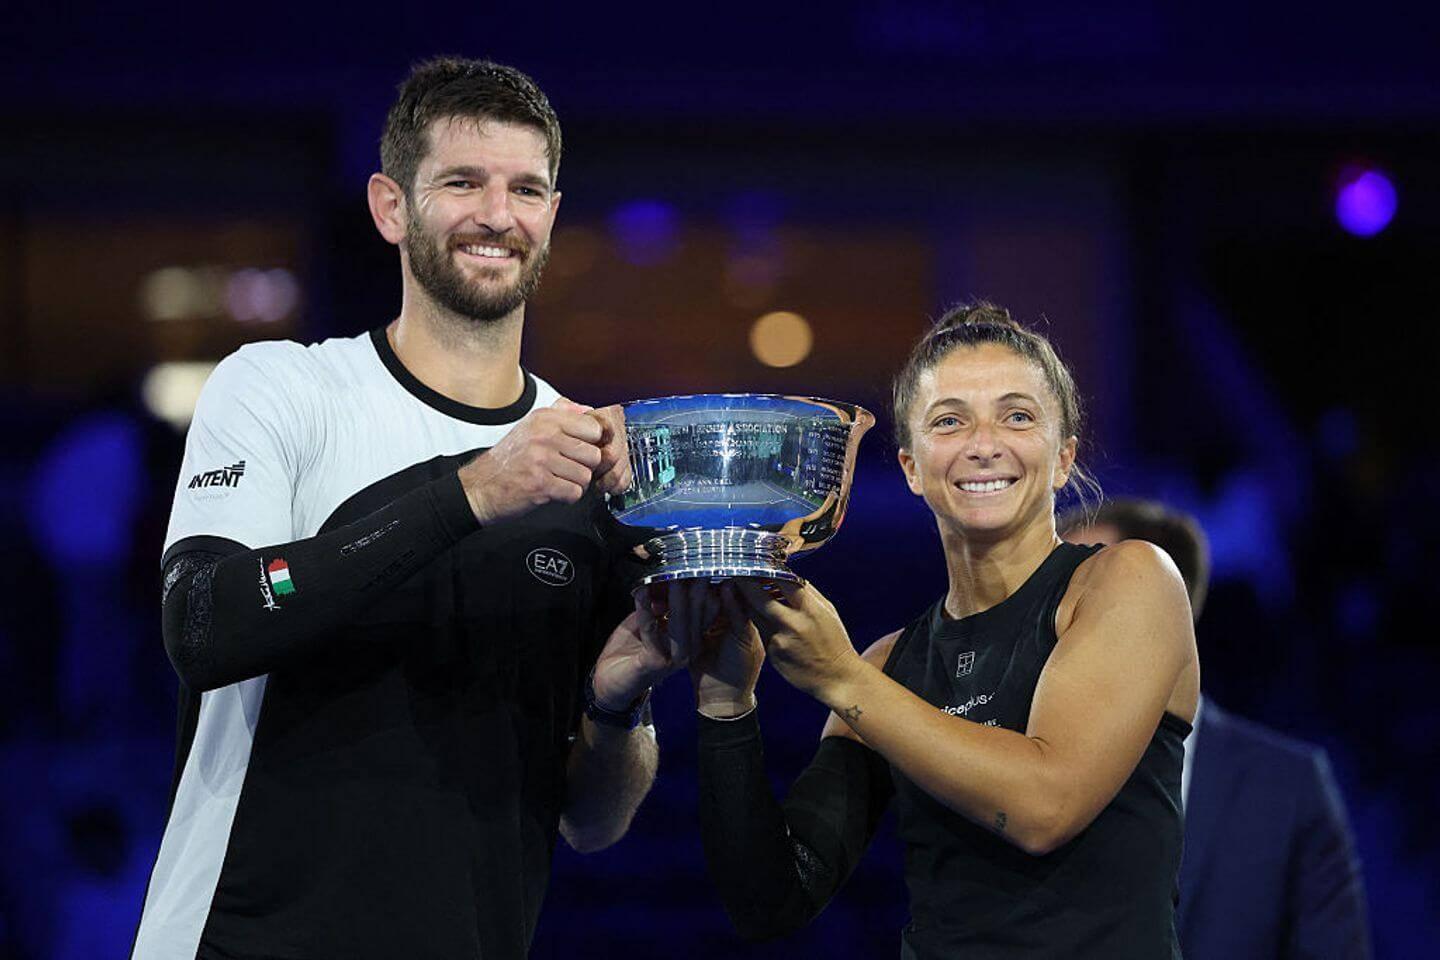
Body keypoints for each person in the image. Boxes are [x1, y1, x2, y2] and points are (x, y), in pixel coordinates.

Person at [132, 58, 682, 960]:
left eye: (525, 190)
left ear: (551, 215)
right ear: (390, 207)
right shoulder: (282, 388)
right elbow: (202, 623)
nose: (497, 215)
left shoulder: (588, 463)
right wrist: (471, 495)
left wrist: (619, 702)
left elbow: (592, 823)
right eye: (462, 182)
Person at [685, 303, 1200, 959]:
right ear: (911, 467)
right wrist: (726, 705)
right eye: (950, 421)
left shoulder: (1130, 579)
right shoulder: (888, 664)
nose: (984, 445)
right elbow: (772, 902)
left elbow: (1046, 808)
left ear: (1063, 458)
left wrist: (842, 679)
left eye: (1017, 416)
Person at [1061, 499, 1372, 959]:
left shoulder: (1288, 791)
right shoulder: (1003, 778)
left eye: (1079, 591)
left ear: (1167, 613)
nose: (1053, 619)